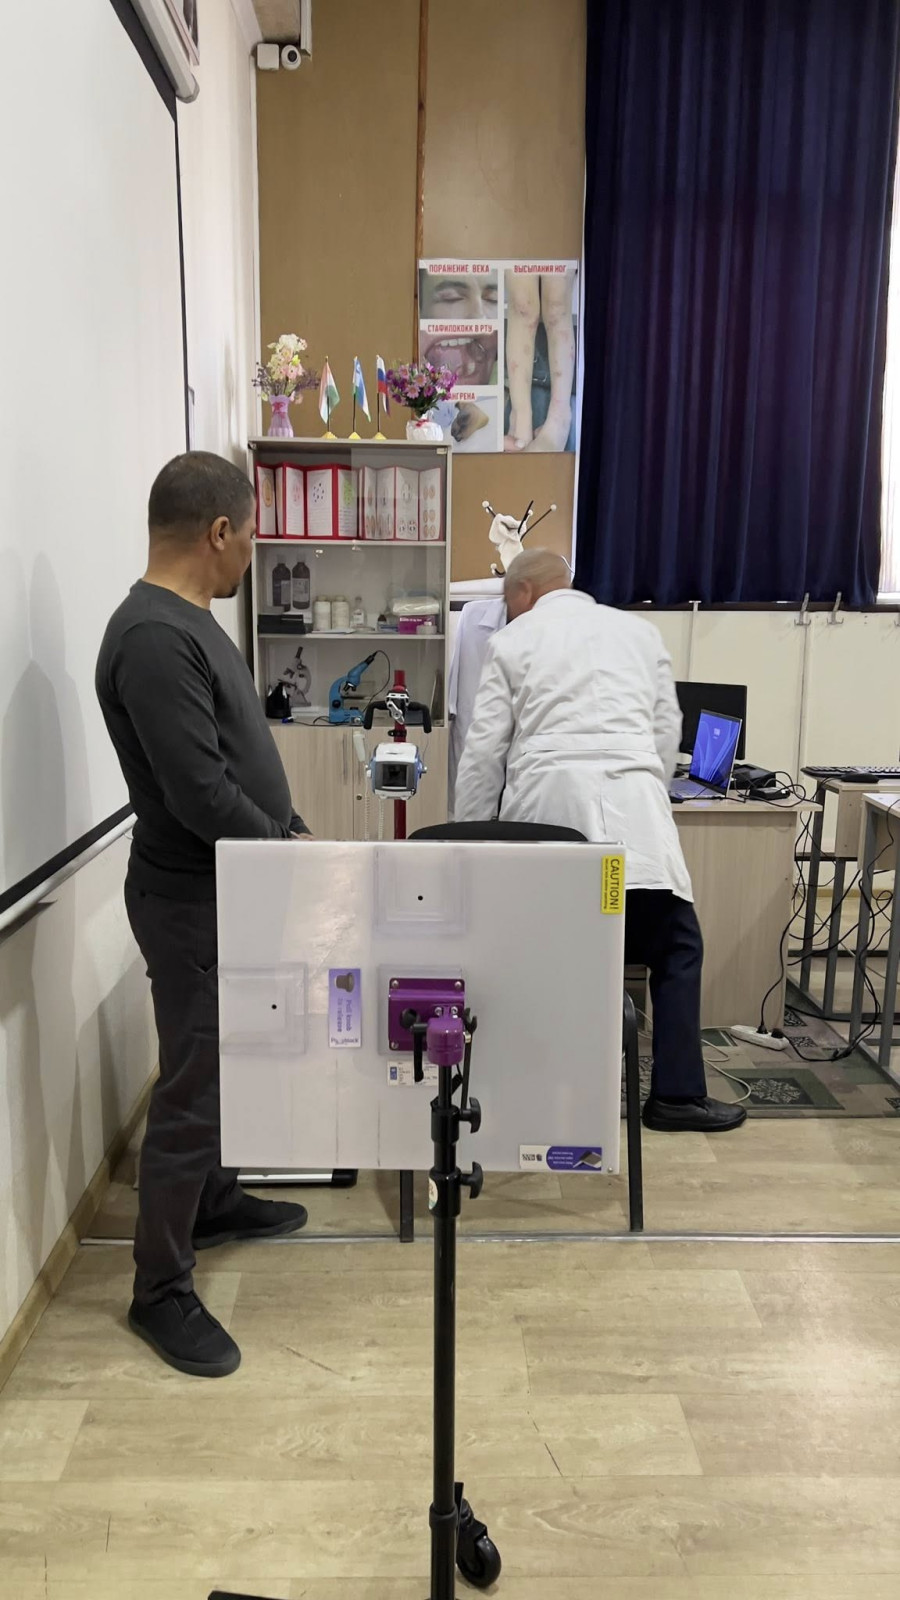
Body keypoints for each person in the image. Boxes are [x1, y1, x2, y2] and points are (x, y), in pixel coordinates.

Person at [96, 451, 311, 1379]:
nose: (254, 554)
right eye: (251, 536)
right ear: (219, 531)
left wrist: (284, 830)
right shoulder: (153, 636)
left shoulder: (188, 622)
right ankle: (159, 1290)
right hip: (189, 899)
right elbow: (198, 793)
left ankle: (214, 1201)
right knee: (190, 1089)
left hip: (225, 890)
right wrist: (285, 848)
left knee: (224, 1069)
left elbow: (228, 761)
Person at [453, 549, 746, 1134]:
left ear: (523, 593)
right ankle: (677, 1097)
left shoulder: (511, 642)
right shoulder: (638, 634)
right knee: (676, 946)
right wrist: (638, 784)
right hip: (636, 824)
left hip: (548, 822)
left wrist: (471, 845)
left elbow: (484, 755)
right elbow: (666, 737)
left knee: (540, 954)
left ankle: (535, 1089)